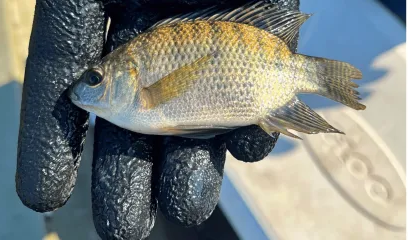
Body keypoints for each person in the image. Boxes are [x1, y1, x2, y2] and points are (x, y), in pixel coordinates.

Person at [16, 0, 300, 239]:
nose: (83, 88)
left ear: (129, 74)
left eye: (95, 79)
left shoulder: (136, 80)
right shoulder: (131, 81)